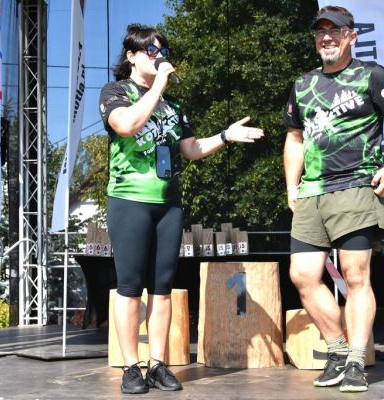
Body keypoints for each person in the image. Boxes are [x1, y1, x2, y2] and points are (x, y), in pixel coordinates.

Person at [99, 24, 264, 395]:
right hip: (129, 200)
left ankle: (158, 364)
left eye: (162, 51)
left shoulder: (173, 106)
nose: (159, 56)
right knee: (130, 288)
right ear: (131, 56)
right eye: (151, 50)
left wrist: (225, 136)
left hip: (168, 204)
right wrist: (158, 86)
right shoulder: (115, 92)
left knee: (162, 289)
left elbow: (190, 149)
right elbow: (126, 125)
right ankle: (130, 367)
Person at [283, 6, 384, 393]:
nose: (327, 37)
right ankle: (338, 350)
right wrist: (291, 185)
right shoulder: (303, 84)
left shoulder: (370, 75)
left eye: (335, 31)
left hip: (356, 187)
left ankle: (357, 361)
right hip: (312, 193)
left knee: (355, 276)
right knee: (303, 276)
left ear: (351, 37)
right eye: (320, 32)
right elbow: (294, 138)